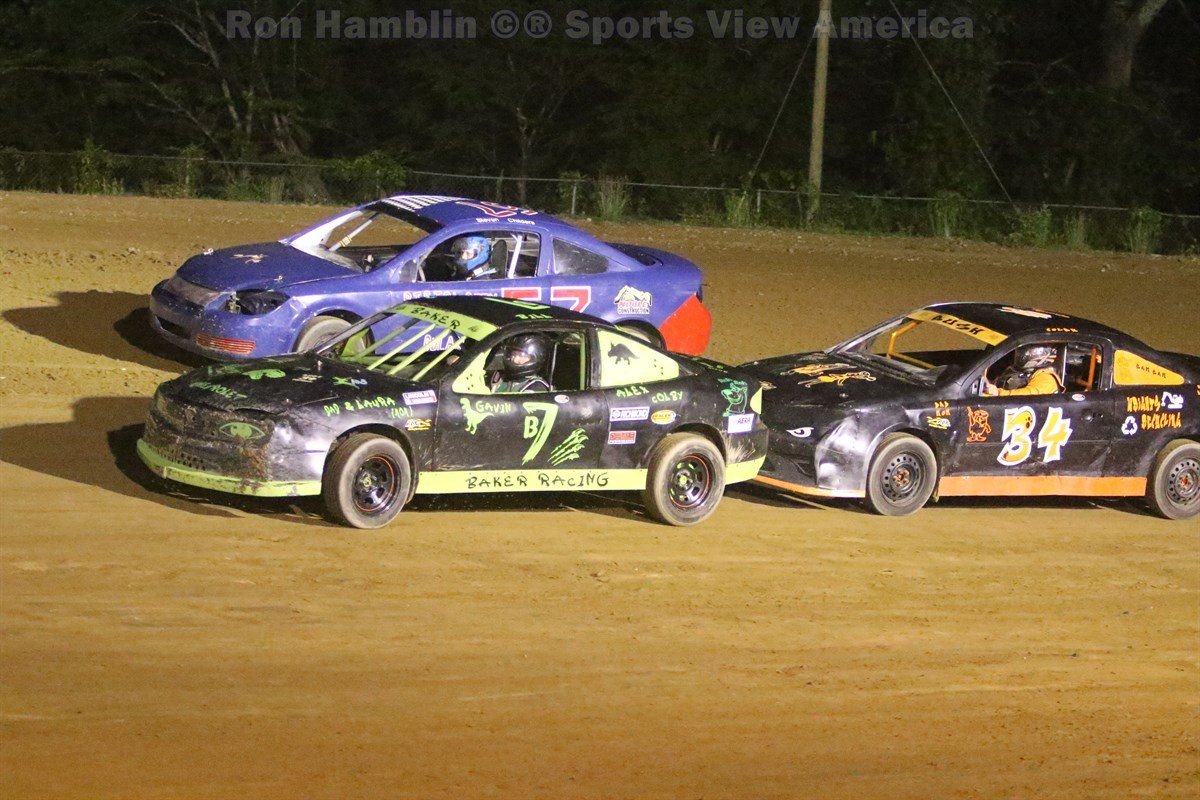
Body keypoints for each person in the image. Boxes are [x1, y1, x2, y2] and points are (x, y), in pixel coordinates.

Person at [983, 344, 1063, 396]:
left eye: (1030, 351)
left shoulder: (1047, 378)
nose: (1025, 354)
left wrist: (998, 393)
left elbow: (1029, 395)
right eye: (1023, 350)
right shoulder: (1015, 370)